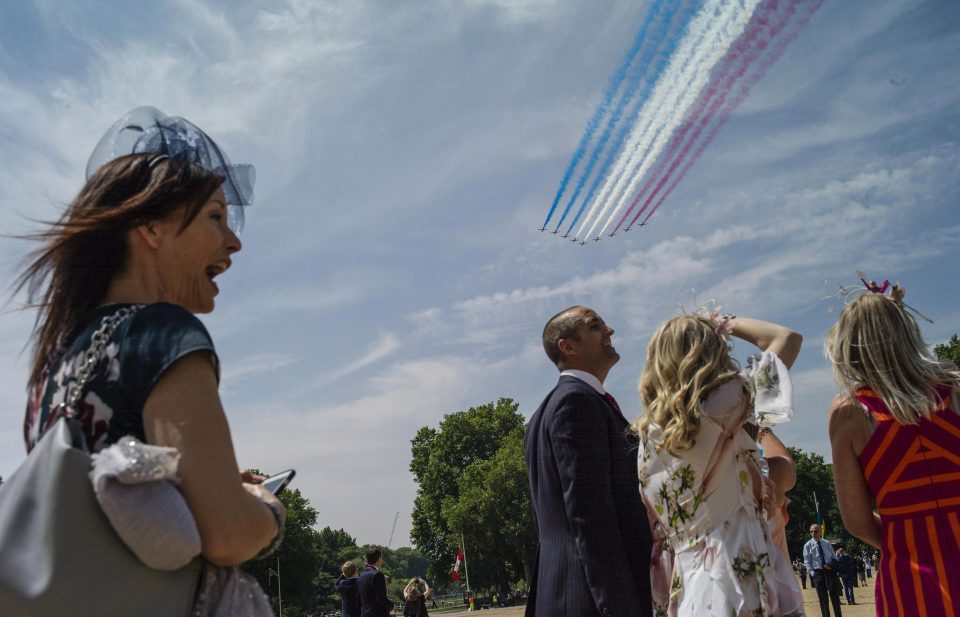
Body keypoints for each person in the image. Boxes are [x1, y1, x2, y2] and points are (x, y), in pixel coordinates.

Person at [18, 107, 284, 572]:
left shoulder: (52, 367)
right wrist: (265, 509)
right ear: (152, 228)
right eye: (215, 217)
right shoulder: (161, 332)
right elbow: (226, 535)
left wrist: (206, 483)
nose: (234, 242)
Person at [636, 312, 804, 616]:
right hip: (737, 571)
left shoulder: (649, 434)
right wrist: (725, 321)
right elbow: (786, 339)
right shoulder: (722, 405)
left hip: (688, 579)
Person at [825, 283, 960, 617]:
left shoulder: (850, 411)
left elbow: (856, 521)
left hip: (909, 577)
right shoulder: (954, 386)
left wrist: (904, 539)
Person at [524, 306, 652, 616]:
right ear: (567, 346)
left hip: (566, 591)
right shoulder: (576, 402)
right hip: (590, 597)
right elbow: (590, 515)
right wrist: (617, 604)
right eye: (595, 326)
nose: (610, 331)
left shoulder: (544, 414)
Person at [803, 524, 842, 617]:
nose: (813, 533)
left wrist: (831, 566)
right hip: (818, 574)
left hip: (830, 572)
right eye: (811, 531)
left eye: (815, 531)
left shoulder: (826, 543)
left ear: (820, 531)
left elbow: (834, 557)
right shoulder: (807, 545)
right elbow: (807, 562)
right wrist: (813, 574)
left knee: (835, 598)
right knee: (823, 600)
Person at [358, 547, 394, 617]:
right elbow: (381, 599)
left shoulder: (361, 576)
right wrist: (391, 605)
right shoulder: (378, 575)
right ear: (379, 560)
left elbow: (358, 600)